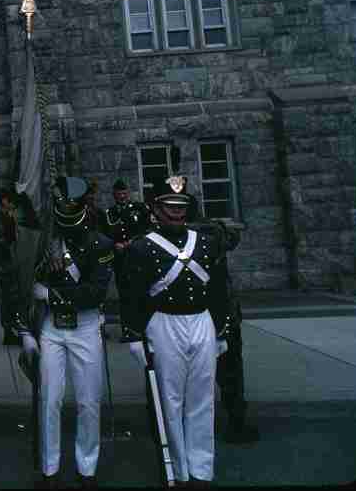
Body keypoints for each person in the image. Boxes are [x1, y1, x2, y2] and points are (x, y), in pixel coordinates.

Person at [122, 174, 232, 487]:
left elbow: (219, 289)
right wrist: (133, 334)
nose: (177, 210)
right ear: (155, 208)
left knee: (202, 398)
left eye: (181, 204)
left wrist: (221, 330)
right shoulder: (142, 247)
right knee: (170, 400)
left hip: (201, 322)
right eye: (169, 205)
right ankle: (178, 470)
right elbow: (131, 294)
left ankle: (201, 468)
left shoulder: (206, 243)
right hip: (164, 323)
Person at [13, 176, 114, 490]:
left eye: (71, 205)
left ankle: (87, 468)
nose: (65, 209)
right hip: (51, 327)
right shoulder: (45, 241)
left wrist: (53, 296)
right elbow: (23, 284)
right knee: (50, 400)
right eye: (60, 205)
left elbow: (95, 293)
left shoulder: (100, 243)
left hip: (84, 326)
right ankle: (50, 468)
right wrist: (24, 331)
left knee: (87, 402)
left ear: (83, 205)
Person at [185, 200, 259, 445]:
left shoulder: (174, 237)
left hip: (190, 314)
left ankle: (192, 428)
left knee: (191, 377)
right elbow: (232, 239)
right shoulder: (214, 231)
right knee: (231, 373)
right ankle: (237, 422)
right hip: (221, 311)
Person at [101, 179, 151, 340]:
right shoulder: (109, 213)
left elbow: (148, 230)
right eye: (119, 193)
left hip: (138, 258)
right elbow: (104, 235)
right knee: (125, 295)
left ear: (128, 193)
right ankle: (128, 330)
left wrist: (131, 242)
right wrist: (114, 245)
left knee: (142, 292)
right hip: (121, 260)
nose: (122, 196)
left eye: (124, 193)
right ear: (114, 194)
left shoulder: (140, 209)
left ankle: (144, 329)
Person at [0, 182, 20, 345]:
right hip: (6, 265)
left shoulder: (10, 217)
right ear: (4, 201)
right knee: (8, 299)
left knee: (15, 298)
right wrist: (1, 268)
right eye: (11, 200)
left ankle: (15, 328)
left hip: (14, 263)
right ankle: (8, 332)